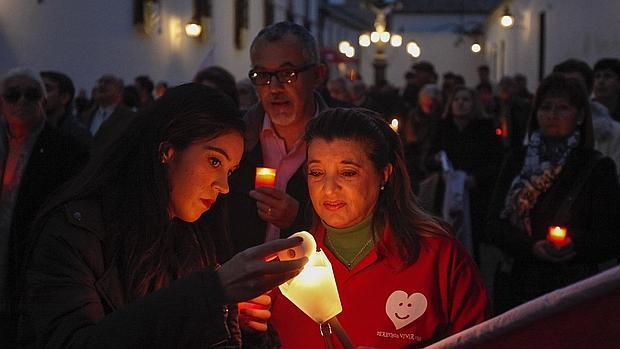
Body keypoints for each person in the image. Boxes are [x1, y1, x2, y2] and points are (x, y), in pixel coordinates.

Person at [21, 83, 308, 348]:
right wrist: (211, 293)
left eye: (230, 171)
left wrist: (227, 315)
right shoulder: (76, 233)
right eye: (214, 161)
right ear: (167, 151)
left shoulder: (190, 236)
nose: (223, 186)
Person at [269, 108, 490, 348]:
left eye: (348, 172)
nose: (329, 189)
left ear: (384, 175)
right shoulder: (287, 264)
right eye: (316, 172)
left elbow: (484, 340)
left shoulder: (438, 256)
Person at [485, 74, 620, 314]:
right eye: (545, 107)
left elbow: (610, 236)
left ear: (579, 116)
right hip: (517, 282)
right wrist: (530, 246)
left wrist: (573, 243)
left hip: (569, 290)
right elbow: (493, 223)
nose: (552, 115)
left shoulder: (596, 167)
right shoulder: (517, 159)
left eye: (562, 108)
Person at [0, 68, 88, 346]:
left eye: (32, 94)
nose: (22, 101)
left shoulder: (67, 151)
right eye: (13, 95)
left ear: (44, 100)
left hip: (36, 268)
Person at [226, 21, 328, 254]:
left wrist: (299, 219)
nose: (274, 87)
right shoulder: (235, 139)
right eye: (262, 75)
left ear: (318, 75)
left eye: (287, 74)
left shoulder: (343, 141)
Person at [427, 86, 504, 261]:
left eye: (465, 100)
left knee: (471, 243)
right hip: (447, 192)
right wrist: (437, 160)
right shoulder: (443, 127)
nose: (460, 104)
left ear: (473, 104)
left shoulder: (484, 129)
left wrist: (476, 179)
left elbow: (496, 162)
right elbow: (428, 160)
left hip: (474, 194)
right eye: (457, 100)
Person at [553, 58, 620, 184]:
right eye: (561, 85)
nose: (568, 92)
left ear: (588, 90)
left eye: (575, 85)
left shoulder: (614, 134)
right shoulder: (539, 134)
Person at [80, 74, 136, 151]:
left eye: (108, 82)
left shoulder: (130, 117)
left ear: (119, 91)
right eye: (100, 82)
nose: (102, 85)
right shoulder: (86, 116)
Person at [40, 70, 92, 147]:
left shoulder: (77, 135)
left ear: (64, 97)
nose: (39, 94)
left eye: (47, 89)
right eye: (37, 89)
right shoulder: (27, 130)